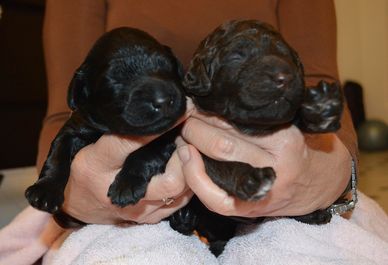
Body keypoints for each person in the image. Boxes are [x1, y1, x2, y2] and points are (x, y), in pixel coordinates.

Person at [0, 0, 361, 264]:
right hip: (113, 206)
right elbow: (67, 114)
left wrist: (332, 171)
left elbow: (319, 84)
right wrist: (71, 196)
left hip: (289, 169)